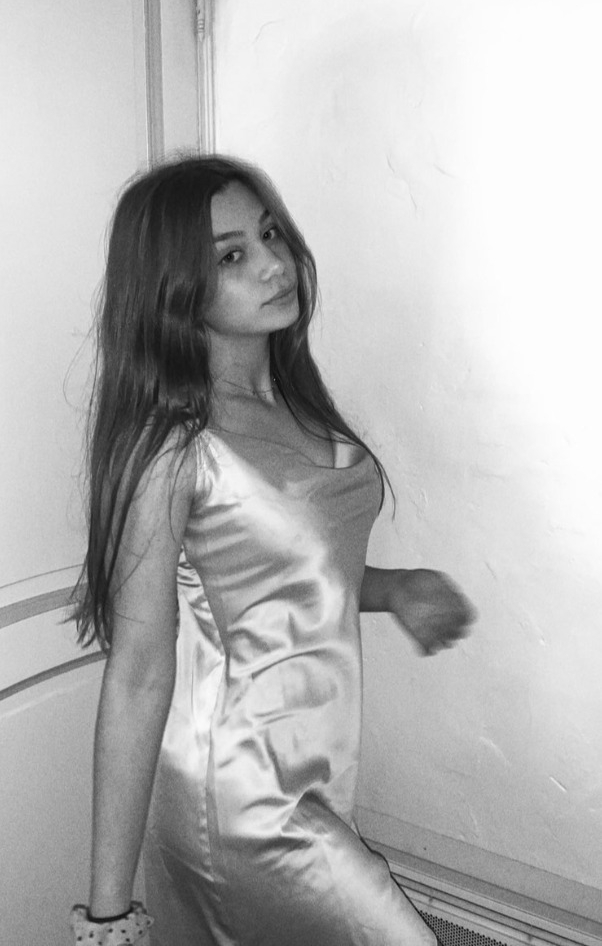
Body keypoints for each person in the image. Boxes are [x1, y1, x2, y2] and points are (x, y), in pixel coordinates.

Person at [69, 154, 475, 946]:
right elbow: (140, 673)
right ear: (172, 290)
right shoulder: (175, 449)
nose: (273, 263)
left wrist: (395, 588)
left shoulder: (295, 402)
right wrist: (107, 917)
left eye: (270, 234)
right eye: (231, 255)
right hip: (242, 800)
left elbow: (291, 578)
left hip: (314, 774)